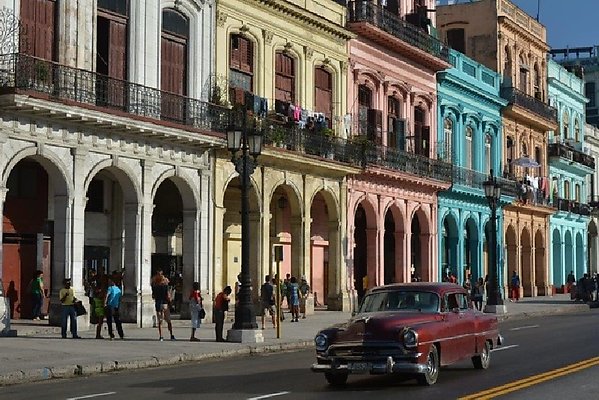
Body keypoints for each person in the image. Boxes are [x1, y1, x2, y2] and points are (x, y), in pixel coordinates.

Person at [151, 269, 175, 341]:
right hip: (165, 304)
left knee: (160, 321)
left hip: (158, 304)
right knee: (168, 321)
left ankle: (161, 336)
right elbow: (167, 296)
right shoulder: (165, 287)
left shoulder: (154, 287)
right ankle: (171, 335)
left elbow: (153, 296)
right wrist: (170, 301)